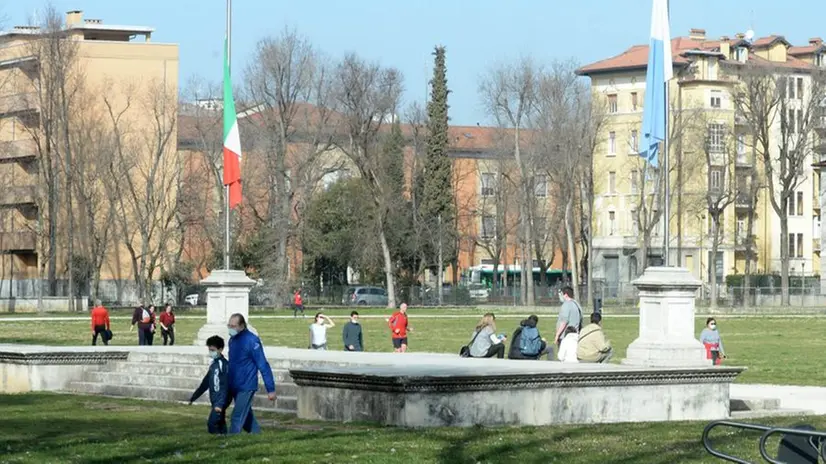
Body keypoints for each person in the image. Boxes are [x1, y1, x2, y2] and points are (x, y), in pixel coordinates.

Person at [227, 313, 276, 434]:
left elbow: (263, 364)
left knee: (236, 417)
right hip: (235, 384)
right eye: (229, 325)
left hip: (246, 385)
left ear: (242, 325)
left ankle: (231, 443)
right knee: (247, 417)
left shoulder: (252, 340)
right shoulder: (232, 340)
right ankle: (257, 435)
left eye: (233, 326)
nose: (230, 328)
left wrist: (270, 389)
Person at [188, 335, 229, 434]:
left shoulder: (224, 365)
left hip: (220, 400)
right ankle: (224, 441)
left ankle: (217, 440)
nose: (211, 352)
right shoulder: (214, 365)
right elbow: (205, 383)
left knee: (212, 423)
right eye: (209, 350)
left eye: (213, 350)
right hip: (215, 400)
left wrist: (220, 403)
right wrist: (194, 397)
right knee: (221, 423)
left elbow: (226, 386)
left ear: (220, 349)